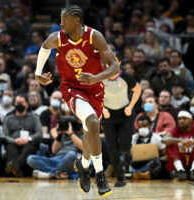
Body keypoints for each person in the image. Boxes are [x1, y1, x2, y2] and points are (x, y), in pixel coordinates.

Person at [34, 5, 120, 197]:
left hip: (95, 88)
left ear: (76, 21)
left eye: (64, 20)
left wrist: (96, 78)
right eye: (60, 19)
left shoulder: (94, 36)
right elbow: (43, 48)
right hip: (71, 88)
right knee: (92, 122)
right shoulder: (57, 38)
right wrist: (38, 73)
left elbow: (114, 67)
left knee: (91, 132)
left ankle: (82, 166)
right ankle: (99, 174)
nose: (60, 23)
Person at [102, 70, 141, 187]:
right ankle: (121, 178)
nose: (109, 65)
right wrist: (102, 109)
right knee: (112, 149)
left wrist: (130, 106)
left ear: (118, 62)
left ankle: (127, 154)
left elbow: (137, 90)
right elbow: (94, 95)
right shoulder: (101, 77)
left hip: (125, 114)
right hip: (108, 116)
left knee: (124, 148)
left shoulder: (126, 77)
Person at [162, 110, 194, 181]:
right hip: (179, 160)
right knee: (170, 145)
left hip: (192, 160)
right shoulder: (175, 130)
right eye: (179, 119)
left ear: (191, 120)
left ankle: (193, 170)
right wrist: (179, 140)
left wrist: (193, 141)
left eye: (184, 119)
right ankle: (180, 171)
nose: (181, 121)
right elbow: (164, 139)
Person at [2, 94, 42, 177]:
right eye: (17, 102)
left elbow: (39, 133)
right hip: (14, 142)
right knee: (10, 148)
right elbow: (5, 135)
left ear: (27, 104)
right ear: (14, 104)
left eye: (22, 102)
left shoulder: (34, 117)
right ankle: (18, 171)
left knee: (29, 149)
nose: (19, 105)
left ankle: (13, 165)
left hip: (29, 142)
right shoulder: (8, 118)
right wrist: (14, 140)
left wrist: (28, 139)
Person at [131, 115, 166, 180]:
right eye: (140, 127)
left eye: (144, 126)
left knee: (157, 163)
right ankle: (142, 174)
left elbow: (165, 155)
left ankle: (142, 174)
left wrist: (158, 159)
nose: (142, 128)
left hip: (151, 164)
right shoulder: (134, 138)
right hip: (137, 164)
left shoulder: (157, 138)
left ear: (150, 125)